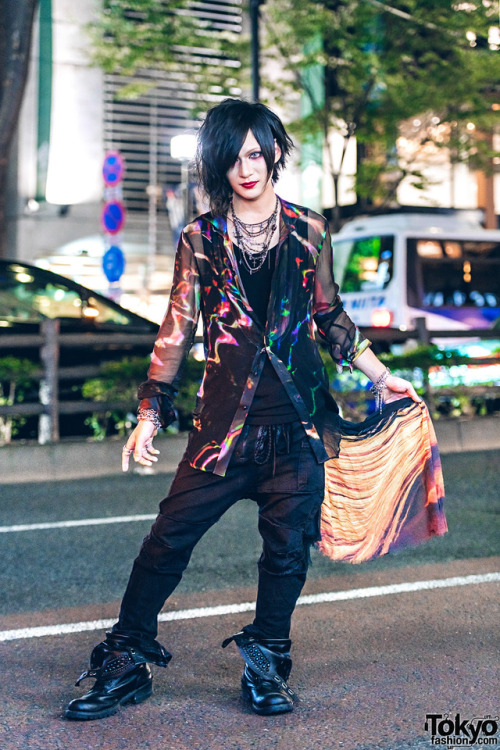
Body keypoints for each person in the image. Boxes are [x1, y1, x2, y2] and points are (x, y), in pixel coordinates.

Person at [64, 98, 425, 721]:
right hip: (222, 432)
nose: (245, 167)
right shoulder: (199, 238)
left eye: (256, 153)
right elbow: (176, 329)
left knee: (286, 553)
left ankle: (266, 662)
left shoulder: (310, 230)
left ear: (274, 155)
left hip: (298, 427)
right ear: (217, 164)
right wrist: (151, 409)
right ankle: (125, 661)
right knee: (166, 541)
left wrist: (383, 375)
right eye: (232, 157)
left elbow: (328, 315)